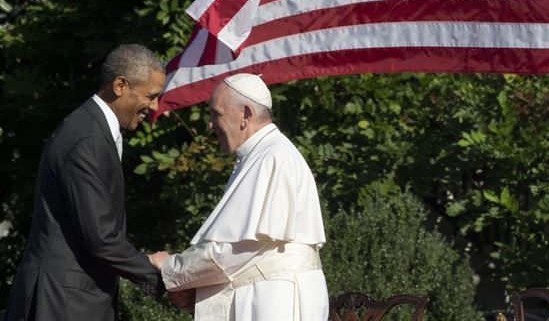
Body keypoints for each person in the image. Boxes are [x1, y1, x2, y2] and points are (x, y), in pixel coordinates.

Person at [4, 44, 167, 321]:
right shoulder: (87, 140)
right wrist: (161, 276)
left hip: (72, 298)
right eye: (151, 96)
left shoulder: (92, 130)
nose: (154, 107)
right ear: (120, 86)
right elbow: (101, 238)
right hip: (63, 302)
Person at [149, 73, 328, 320]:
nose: (210, 124)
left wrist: (172, 268)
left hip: (276, 302)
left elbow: (231, 251)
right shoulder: (259, 156)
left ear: (246, 114)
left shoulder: (273, 157)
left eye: (216, 114)